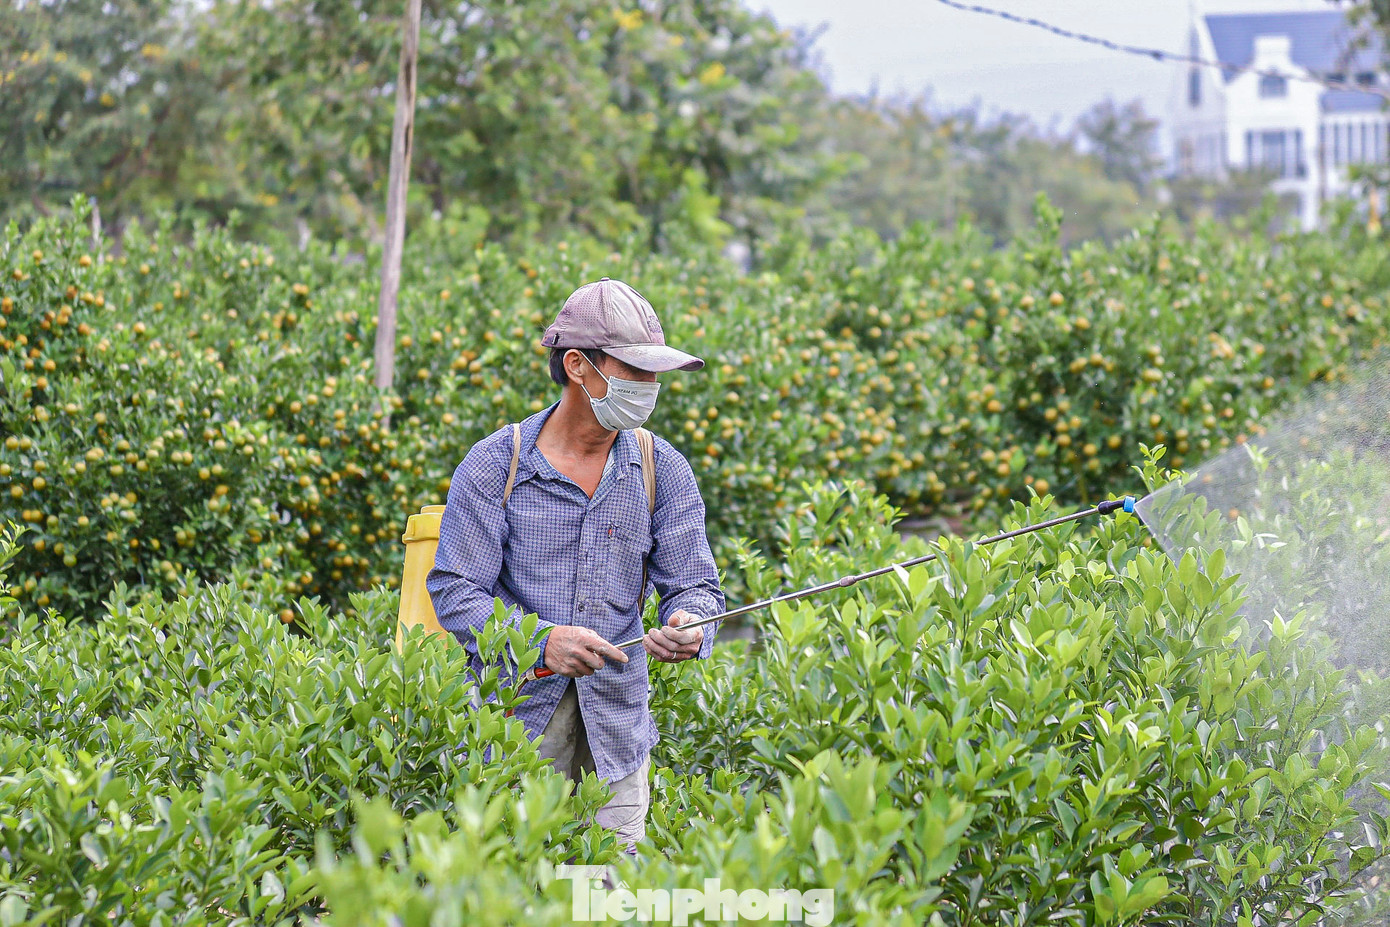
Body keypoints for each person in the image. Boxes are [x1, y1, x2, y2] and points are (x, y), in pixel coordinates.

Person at [426, 276, 725, 851]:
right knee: (513, 887)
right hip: (515, 728)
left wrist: (691, 623)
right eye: (634, 372)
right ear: (577, 367)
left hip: (617, 730)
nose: (650, 387)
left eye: (654, 374)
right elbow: (456, 590)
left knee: (608, 894)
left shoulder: (662, 469)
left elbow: (697, 586)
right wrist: (540, 641)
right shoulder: (498, 465)